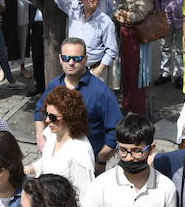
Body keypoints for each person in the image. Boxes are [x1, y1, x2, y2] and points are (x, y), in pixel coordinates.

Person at [34, 37, 120, 169]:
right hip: (56, 159)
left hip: (87, 164)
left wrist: (100, 159)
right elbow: (40, 110)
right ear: (60, 58)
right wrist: (40, 136)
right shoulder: (55, 85)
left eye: (77, 59)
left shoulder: (101, 92)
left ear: (85, 60)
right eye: (66, 58)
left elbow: (116, 130)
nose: (71, 63)